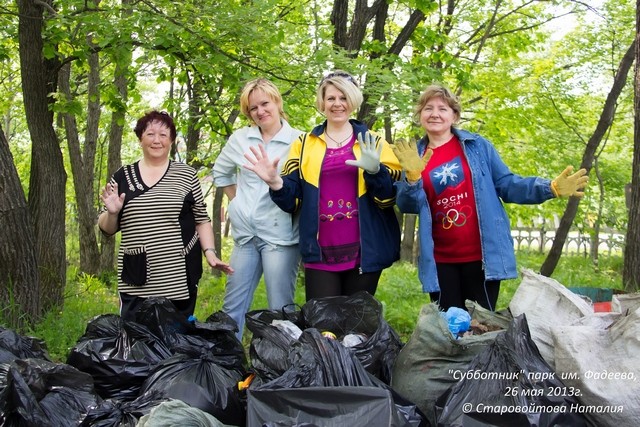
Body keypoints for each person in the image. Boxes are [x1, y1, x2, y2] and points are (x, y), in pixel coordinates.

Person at [393, 84, 588, 312]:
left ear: (454, 115)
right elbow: (406, 205)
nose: (434, 114)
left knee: (480, 326)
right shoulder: (411, 155)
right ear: (420, 115)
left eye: (442, 108)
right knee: (448, 328)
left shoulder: (477, 147)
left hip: (482, 256)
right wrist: (412, 179)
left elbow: (507, 184)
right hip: (440, 260)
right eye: (428, 108)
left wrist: (549, 188)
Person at [244, 70, 402, 301]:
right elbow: (292, 202)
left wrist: (375, 171)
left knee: (356, 329)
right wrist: (275, 182)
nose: (337, 104)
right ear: (322, 102)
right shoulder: (304, 143)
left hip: (365, 252)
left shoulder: (373, 141)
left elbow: (387, 199)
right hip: (319, 253)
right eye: (331, 98)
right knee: (322, 328)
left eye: (343, 97)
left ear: (353, 101)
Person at [98, 110, 233, 322]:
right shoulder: (122, 176)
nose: (157, 140)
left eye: (163, 134)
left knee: (175, 341)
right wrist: (112, 213)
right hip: (136, 275)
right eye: (150, 134)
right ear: (140, 138)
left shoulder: (186, 175)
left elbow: (201, 219)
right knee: (137, 341)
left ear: (171, 139)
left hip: (179, 274)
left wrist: (210, 253)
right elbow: (107, 228)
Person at [213, 78, 302, 340]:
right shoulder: (241, 138)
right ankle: (227, 367)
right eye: (253, 108)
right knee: (232, 308)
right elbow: (221, 172)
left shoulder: (299, 140)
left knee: (280, 310)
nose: (260, 111)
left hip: (279, 238)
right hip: (245, 238)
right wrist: (237, 201)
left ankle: (282, 368)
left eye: (265, 103)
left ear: (277, 102)